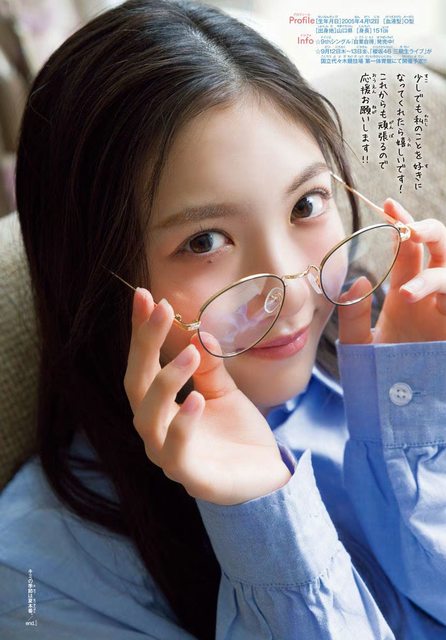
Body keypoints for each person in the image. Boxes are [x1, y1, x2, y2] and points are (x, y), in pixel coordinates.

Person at [1, 0, 446, 638]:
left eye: (306, 204)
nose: (292, 290)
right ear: (91, 280)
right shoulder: (37, 576)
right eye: (204, 242)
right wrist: (264, 522)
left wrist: (418, 434)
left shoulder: (403, 357)